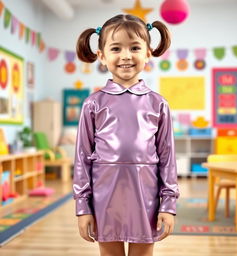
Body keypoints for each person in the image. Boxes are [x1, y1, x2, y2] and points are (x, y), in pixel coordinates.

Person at [73, 14, 180, 256]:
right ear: (101, 55)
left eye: (134, 47)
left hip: (146, 196)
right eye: (115, 48)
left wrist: (169, 204)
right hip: (105, 196)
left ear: (148, 52)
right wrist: (83, 207)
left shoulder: (158, 104)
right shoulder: (92, 104)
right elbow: (81, 158)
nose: (126, 56)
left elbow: (168, 157)